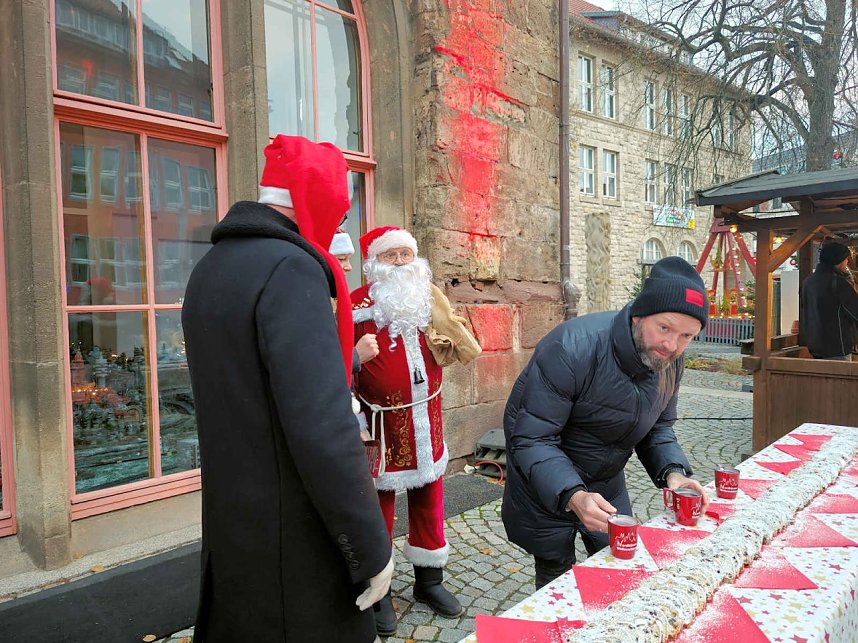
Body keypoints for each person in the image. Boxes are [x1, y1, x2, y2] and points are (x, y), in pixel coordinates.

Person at [182, 134, 393, 643]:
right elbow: (323, 426)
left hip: (235, 528)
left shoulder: (209, 269)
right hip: (294, 542)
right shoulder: (291, 269)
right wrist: (370, 548)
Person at [502, 256, 710, 590]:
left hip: (605, 478)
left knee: (620, 571)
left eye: (687, 336)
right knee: (558, 577)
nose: (672, 346)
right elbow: (532, 439)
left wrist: (674, 474)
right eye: (665, 328)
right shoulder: (570, 348)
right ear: (640, 314)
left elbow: (658, 427)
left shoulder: (671, 360)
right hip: (545, 479)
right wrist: (573, 494)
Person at [351, 226, 481, 636]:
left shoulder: (427, 297)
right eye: (392, 257)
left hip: (428, 416)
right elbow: (331, 362)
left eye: (407, 255)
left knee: (430, 498)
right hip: (381, 424)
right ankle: (380, 588)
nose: (401, 264)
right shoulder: (356, 305)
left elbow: (453, 341)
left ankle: (429, 582)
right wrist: (354, 359)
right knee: (380, 507)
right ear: (375, 263)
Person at [800, 241, 858, 361]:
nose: (847, 262)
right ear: (839, 260)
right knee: (841, 379)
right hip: (837, 347)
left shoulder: (807, 282)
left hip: (814, 346)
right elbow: (855, 312)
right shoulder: (838, 283)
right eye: (846, 259)